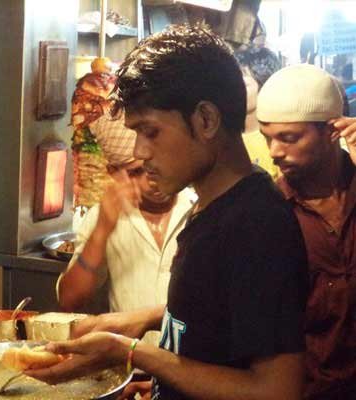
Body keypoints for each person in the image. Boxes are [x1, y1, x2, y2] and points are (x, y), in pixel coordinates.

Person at [26, 24, 308, 400]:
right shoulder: (214, 208)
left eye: (151, 131)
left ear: (206, 120)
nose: (140, 152)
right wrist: (146, 322)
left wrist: (131, 352)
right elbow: (220, 317)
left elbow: (276, 391)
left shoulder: (256, 224)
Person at [257, 63, 356, 400]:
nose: (274, 152)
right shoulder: (269, 213)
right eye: (267, 138)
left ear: (332, 130)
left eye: (288, 138)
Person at [57, 112, 195, 342]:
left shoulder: (199, 208)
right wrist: (102, 230)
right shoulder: (105, 217)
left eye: (157, 164)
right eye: (137, 171)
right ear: (114, 173)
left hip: (190, 369)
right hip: (132, 367)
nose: (151, 178)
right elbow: (69, 301)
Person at [234, 46, 281, 179]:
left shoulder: (279, 138)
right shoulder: (223, 138)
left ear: (264, 84)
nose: (233, 90)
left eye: (242, 85)